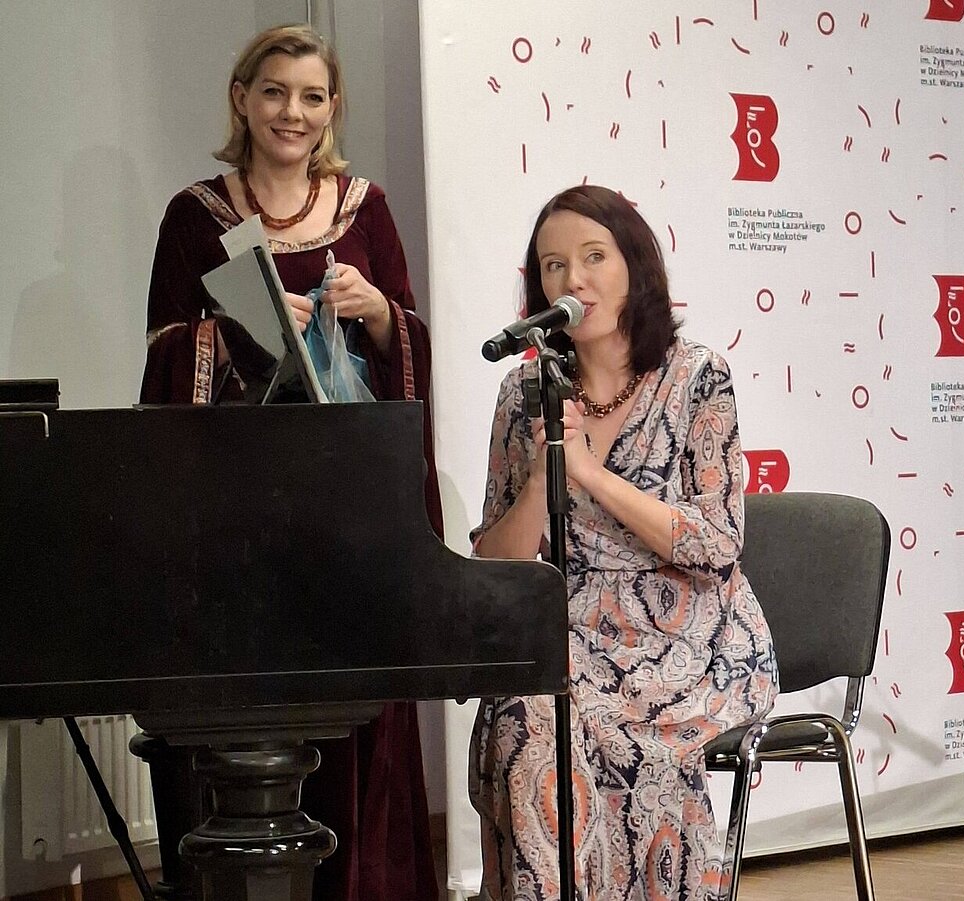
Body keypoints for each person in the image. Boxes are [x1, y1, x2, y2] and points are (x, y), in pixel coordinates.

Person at [138, 25, 440, 901]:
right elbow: (162, 359)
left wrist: (375, 311)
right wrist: (235, 329)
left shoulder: (366, 208)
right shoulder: (195, 215)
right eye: (274, 92)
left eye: (312, 97)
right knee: (247, 718)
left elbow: (410, 352)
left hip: (346, 516)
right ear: (242, 99)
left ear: (332, 108)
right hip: (237, 519)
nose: (292, 113)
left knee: (355, 706)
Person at [469, 184, 779, 900]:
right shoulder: (524, 394)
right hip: (568, 633)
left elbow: (717, 542)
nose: (572, 280)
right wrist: (543, 473)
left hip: (688, 637)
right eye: (553, 266)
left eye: (593, 257)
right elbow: (496, 563)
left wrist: (589, 475)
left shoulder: (697, 376)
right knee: (526, 719)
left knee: (604, 732)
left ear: (635, 267)